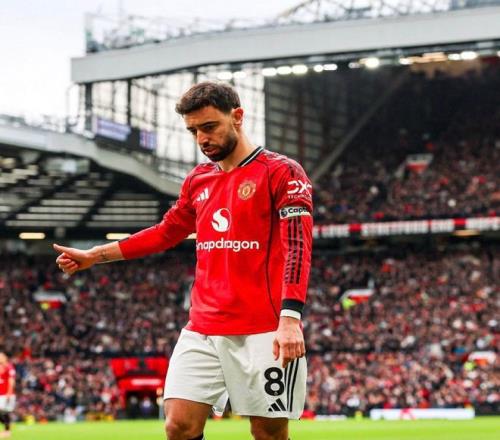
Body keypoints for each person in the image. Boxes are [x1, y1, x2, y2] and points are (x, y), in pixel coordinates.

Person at [54, 81, 313, 440]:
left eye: (209, 126)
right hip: (203, 327)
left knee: (268, 433)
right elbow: (165, 232)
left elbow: (298, 246)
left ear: (238, 116)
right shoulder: (198, 180)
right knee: (178, 425)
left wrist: (290, 319)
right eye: (193, 131)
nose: (202, 138)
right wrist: (95, 256)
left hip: (264, 328)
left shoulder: (282, 172)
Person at [0, 352, 15, 439]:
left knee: (4, 411)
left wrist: (9, 393)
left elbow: (11, 381)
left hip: (6, 394)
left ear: (5, 358)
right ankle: (7, 426)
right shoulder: (1, 367)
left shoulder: (9, 367)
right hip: (0, 394)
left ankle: (7, 430)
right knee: (3, 412)